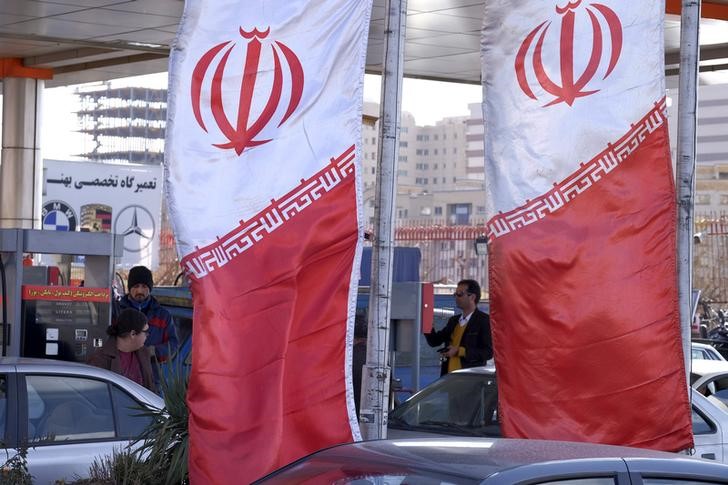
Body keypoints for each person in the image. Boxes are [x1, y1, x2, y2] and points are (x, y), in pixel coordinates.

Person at [426, 279, 492, 376]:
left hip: (470, 381)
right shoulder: (453, 321)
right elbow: (434, 341)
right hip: (450, 379)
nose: (456, 297)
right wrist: (427, 325)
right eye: (455, 294)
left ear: (472, 297)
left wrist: (460, 351)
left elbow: (488, 352)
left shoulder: (483, 321)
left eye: (460, 294)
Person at [118, 266, 178, 371]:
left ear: (150, 288)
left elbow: (173, 344)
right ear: (129, 288)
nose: (140, 290)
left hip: (152, 376)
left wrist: (153, 351)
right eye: (136, 286)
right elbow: (107, 340)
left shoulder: (163, 316)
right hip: (123, 377)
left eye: (144, 286)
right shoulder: (117, 311)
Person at [88, 308, 155, 391]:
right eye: (145, 332)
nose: (147, 336)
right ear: (133, 334)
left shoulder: (144, 353)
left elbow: (151, 387)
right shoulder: (100, 359)